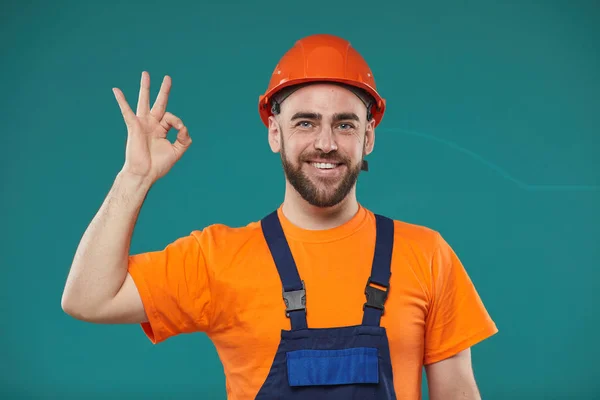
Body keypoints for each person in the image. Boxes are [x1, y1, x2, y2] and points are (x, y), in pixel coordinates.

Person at [62, 34, 498, 399]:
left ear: (369, 136)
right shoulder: (218, 259)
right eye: (305, 123)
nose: (325, 142)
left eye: (345, 125)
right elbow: (88, 298)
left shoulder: (428, 255)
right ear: (275, 132)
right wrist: (134, 177)